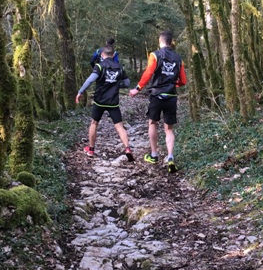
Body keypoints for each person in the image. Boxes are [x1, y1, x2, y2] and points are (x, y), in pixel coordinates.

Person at [129, 31, 186, 173]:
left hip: (157, 94)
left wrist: (137, 88)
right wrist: (173, 85)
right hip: (171, 95)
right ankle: (170, 157)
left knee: (153, 123)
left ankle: (154, 155)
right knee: (169, 129)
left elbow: (148, 73)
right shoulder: (178, 58)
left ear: (160, 41)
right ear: (171, 42)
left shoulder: (155, 55)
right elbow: (183, 81)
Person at [76, 46, 134, 161]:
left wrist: (80, 92)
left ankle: (91, 150)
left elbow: (90, 80)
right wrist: (117, 85)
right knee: (119, 126)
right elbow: (127, 83)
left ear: (102, 55)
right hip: (113, 102)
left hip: (100, 101)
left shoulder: (99, 66)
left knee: (94, 123)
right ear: (113, 55)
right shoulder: (119, 67)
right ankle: (127, 148)